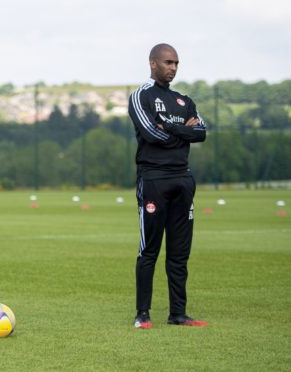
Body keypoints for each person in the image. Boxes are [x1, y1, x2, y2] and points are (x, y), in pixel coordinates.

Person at [128, 43, 208, 329]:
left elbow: (201, 132)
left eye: (176, 63)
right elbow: (151, 134)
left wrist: (171, 128)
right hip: (154, 180)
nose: (172, 67)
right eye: (167, 62)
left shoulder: (184, 100)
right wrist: (182, 132)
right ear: (153, 63)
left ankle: (178, 313)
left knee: (179, 252)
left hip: (183, 180)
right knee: (149, 249)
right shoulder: (141, 96)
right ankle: (142, 314)